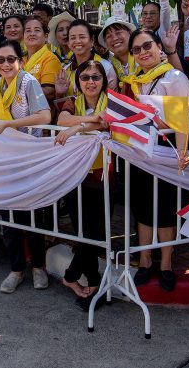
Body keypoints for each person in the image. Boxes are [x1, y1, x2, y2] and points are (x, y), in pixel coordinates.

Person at [0, 40, 51, 293]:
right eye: (0, 60)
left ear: (21, 61)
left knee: (33, 217)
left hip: (29, 159)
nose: (5, 64)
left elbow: (44, 116)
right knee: (9, 220)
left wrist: (8, 125)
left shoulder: (29, 82)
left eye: (10, 59)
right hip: (5, 160)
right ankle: (16, 270)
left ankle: (38, 267)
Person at [122, 29, 189, 290]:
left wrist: (182, 153)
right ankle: (145, 260)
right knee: (142, 208)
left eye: (147, 46)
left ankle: (165, 263)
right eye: (137, 49)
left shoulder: (174, 77)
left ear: (159, 46)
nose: (143, 52)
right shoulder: (131, 81)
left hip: (167, 150)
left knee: (165, 209)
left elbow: (184, 119)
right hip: (139, 151)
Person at [54, 59, 111, 308]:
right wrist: (84, 123)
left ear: (103, 81)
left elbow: (107, 123)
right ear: (78, 82)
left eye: (95, 77)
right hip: (74, 174)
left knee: (95, 233)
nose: (90, 82)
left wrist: (77, 128)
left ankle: (70, 277)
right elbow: (60, 120)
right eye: (85, 77)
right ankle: (94, 282)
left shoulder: (111, 100)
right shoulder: (72, 100)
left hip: (102, 176)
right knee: (83, 233)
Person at [55, 20, 117, 100]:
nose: (77, 41)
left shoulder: (106, 67)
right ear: (69, 43)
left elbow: (113, 103)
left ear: (92, 41)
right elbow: (61, 105)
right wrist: (59, 94)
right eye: (73, 38)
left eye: (82, 37)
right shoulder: (66, 71)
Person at [21, 16, 61, 103]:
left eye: (37, 30)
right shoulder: (20, 60)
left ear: (46, 36)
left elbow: (49, 92)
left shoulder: (50, 59)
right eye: (28, 30)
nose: (32, 34)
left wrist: (18, 92)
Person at [99, 16, 138, 88]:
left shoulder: (143, 57)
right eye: (109, 36)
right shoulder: (107, 68)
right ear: (105, 42)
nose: (115, 38)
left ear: (130, 33)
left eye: (118, 33)